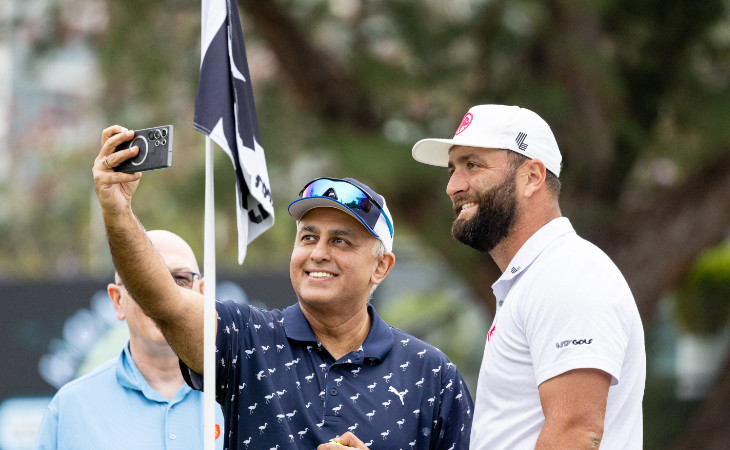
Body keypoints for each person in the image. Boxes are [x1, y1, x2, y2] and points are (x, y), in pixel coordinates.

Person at [92, 125, 473, 449]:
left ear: (381, 267)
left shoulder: (432, 376)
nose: (318, 253)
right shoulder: (246, 337)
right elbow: (163, 301)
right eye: (308, 237)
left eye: (340, 241)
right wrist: (117, 210)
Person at [411, 104, 646, 449]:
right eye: (453, 169)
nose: (453, 186)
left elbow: (576, 433)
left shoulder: (568, 274)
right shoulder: (540, 276)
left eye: (472, 165)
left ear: (533, 176)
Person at [36, 229, 225, 449]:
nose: (163, 296)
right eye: (142, 280)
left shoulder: (248, 398)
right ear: (117, 301)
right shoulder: (69, 409)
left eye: (180, 279)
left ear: (202, 294)